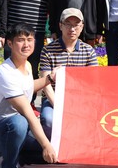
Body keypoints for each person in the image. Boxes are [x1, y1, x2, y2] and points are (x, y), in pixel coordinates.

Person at [0, 23, 58, 168]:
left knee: (59, 150)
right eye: (21, 40)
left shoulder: (27, 65)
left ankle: (17, 158)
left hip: (17, 132)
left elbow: (28, 87)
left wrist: (49, 79)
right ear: (10, 43)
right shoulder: (4, 72)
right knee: (19, 122)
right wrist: (45, 145)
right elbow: (27, 112)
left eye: (30, 39)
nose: (26, 44)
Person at [39, 8, 98, 138]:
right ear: (60, 26)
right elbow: (45, 84)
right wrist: (60, 106)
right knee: (49, 120)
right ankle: (51, 147)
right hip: (53, 99)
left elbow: (93, 83)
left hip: (80, 99)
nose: (72, 29)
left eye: (76, 25)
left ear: (82, 27)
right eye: (68, 24)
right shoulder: (48, 50)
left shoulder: (89, 51)